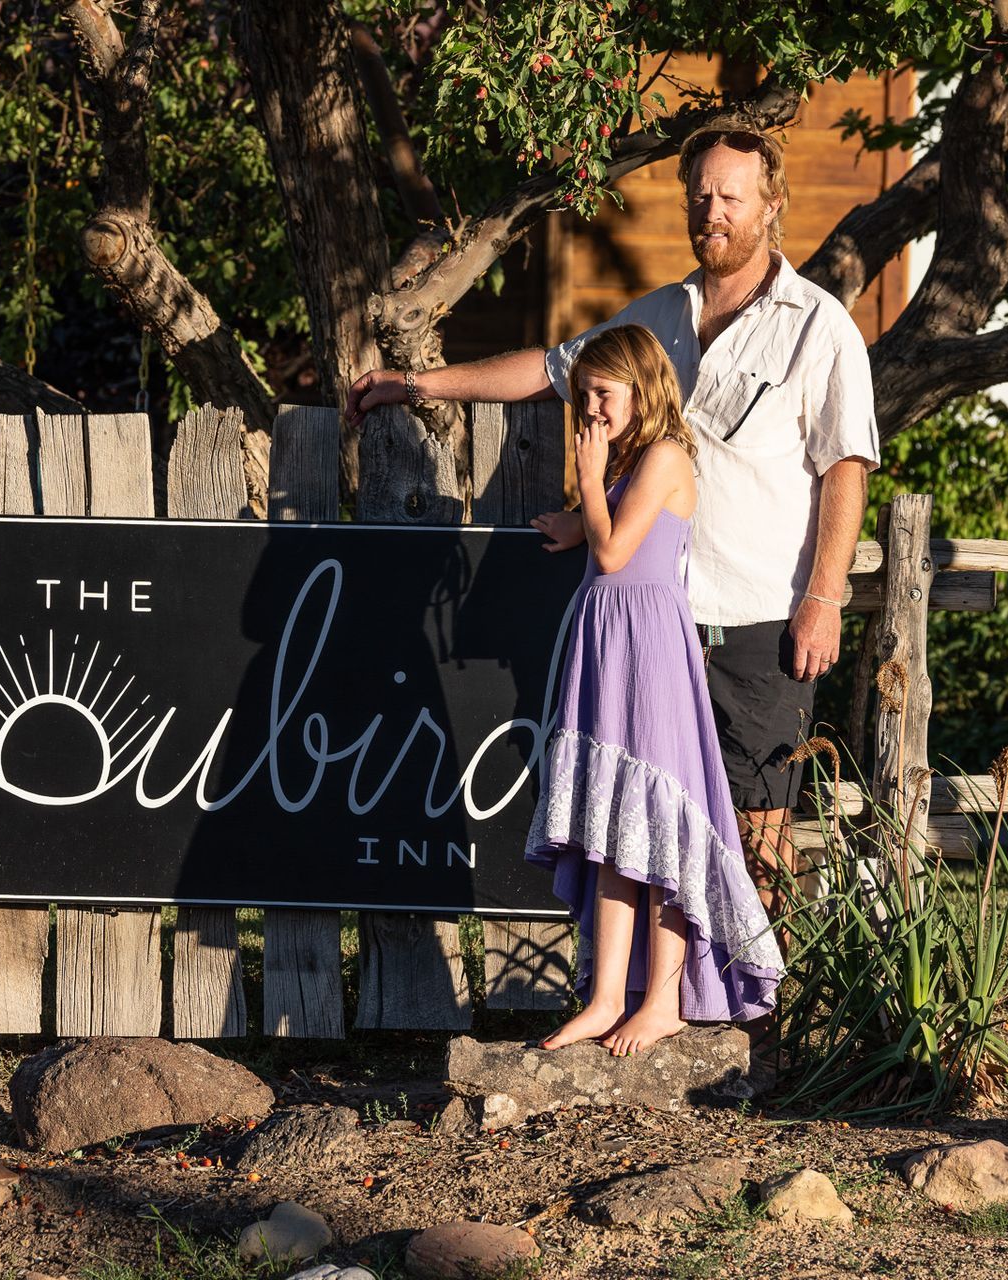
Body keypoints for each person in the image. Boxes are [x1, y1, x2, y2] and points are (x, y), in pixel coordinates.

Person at [347, 126, 881, 922]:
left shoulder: (818, 325)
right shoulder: (660, 317)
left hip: (757, 614)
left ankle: (761, 1022)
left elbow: (846, 467)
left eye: (731, 196)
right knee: (658, 822)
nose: (713, 211)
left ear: (771, 206)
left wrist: (825, 597)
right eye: (700, 195)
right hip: (658, 617)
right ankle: (672, 1002)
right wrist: (418, 383)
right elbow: (550, 369)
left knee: (758, 823)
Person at [519, 324, 782, 1053]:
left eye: (603, 394)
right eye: (583, 398)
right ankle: (608, 994)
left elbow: (614, 552)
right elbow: (608, 534)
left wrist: (588, 494)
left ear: (644, 387)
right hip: (608, 647)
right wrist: (582, 514)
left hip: (650, 649)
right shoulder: (631, 465)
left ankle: (664, 999)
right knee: (612, 825)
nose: (592, 411)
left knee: (658, 820)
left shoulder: (666, 455)